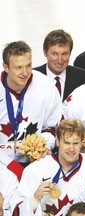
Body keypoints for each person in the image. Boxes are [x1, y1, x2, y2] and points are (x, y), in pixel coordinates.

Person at [10, 119, 85, 216]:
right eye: (66, 142)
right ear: (57, 141)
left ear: (82, 143)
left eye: (75, 143)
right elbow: (15, 211)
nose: (71, 148)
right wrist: (35, 198)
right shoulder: (35, 169)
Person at [0, 41, 61, 180]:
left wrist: (42, 147)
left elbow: (51, 129)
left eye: (28, 66)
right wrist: (11, 166)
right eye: (18, 67)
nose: (25, 73)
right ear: (6, 67)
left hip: (35, 161)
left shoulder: (46, 87)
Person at [34, 29, 85, 102]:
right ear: (45, 52)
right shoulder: (32, 78)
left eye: (64, 54)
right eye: (55, 54)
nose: (60, 60)